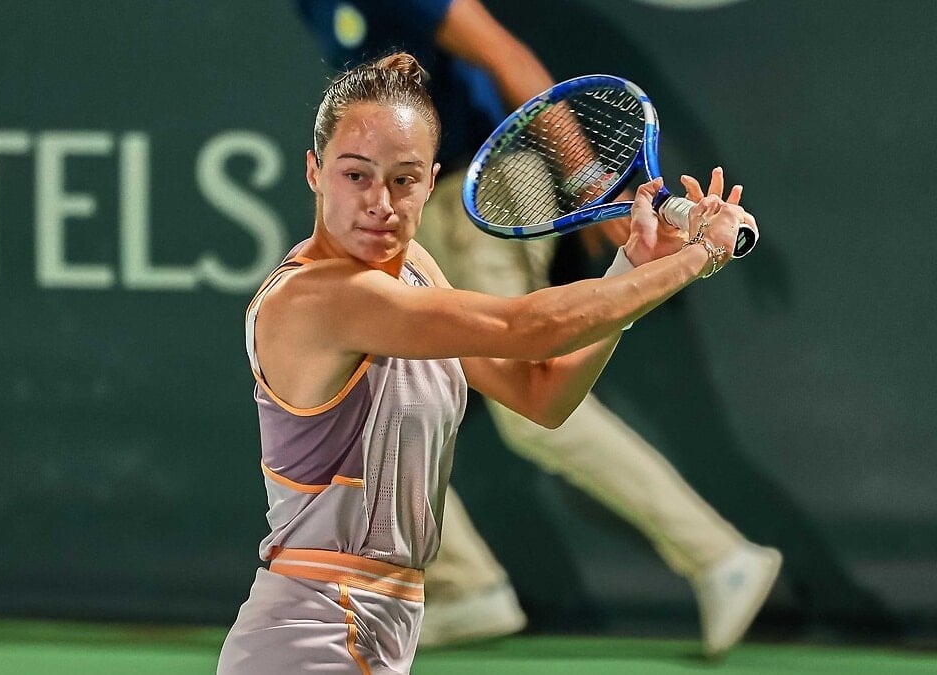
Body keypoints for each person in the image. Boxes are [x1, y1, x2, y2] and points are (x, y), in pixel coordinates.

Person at [217, 51, 757, 674]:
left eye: (404, 179)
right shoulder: (318, 298)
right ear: (314, 172)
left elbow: (541, 393)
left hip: (379, 628)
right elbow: (527, 328)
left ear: (431, 179)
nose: (381, 203)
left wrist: (633, 265)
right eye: (355, 175)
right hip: (307, 637)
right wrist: (694, 259)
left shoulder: (417, 269)